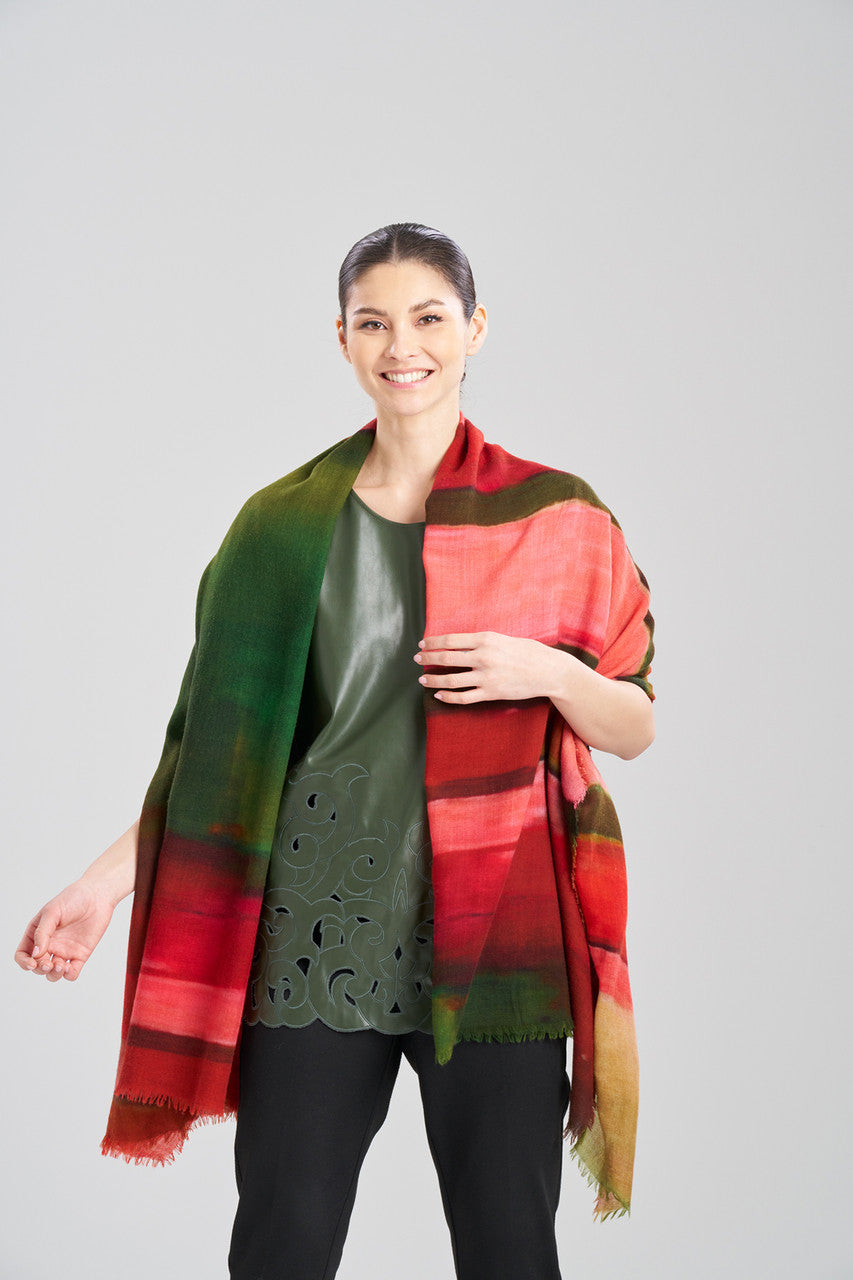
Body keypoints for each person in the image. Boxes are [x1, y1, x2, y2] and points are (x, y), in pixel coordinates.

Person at [14, 223, 655, 1280]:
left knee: (508, 1246)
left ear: (474, 329)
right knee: (282, 1244)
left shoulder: (558, 519)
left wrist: (544, 670)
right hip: (315, 933)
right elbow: (213, 770)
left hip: (498, 938)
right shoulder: (277, 528)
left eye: (428, 318)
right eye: (373, 322)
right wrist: (99, 887)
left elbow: (632, 722)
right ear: (343, 339)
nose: (402, 346)